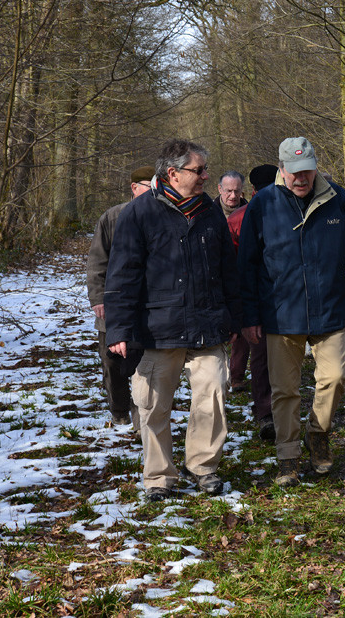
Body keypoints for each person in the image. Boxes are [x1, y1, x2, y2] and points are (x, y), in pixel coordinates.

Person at [237, 137, 345, 486]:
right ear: (280, 170)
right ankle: (288, 456)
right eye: (293, 172)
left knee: (335, 378)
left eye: (306, 171)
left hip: (329, 309)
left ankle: (318, 433)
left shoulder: (337, 198)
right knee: (285, 390)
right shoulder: (263, 204)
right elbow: (245, 265)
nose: (300, 179)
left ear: (316, 167)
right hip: (280, 313)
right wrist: (250, 316)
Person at [105, 140, 240, 503]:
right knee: (152, 405)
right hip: (156, 329)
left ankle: (203, 467)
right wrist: (119, 328)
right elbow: (121, 275)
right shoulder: (140, 214)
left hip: (207, 326)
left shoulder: (210, 213)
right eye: (199, 170)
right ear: (173, 173)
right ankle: (159, 477)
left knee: (212, 396)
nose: (206, 176)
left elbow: (228, 269)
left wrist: (239, 316)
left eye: (205, 170)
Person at [86, 165, 154, 427]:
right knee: (112, 362)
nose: (153, 192)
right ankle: (118, 409)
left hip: (146, 305)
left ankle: (142, 417)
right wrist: (98, 298)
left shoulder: (159, 216)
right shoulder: (112, 218)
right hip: (113, 304)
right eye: (148, 186)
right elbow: (97, 261)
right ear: (134, 188)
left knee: (144, 363)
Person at [226, 164, 279, 443]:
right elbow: (231, 261)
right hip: (256, 297)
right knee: (260, 357)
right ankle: (266, 412)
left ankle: (271, 410)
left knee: (268, 358)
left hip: (277, 297)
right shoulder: (239, 219)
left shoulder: (239, 217)